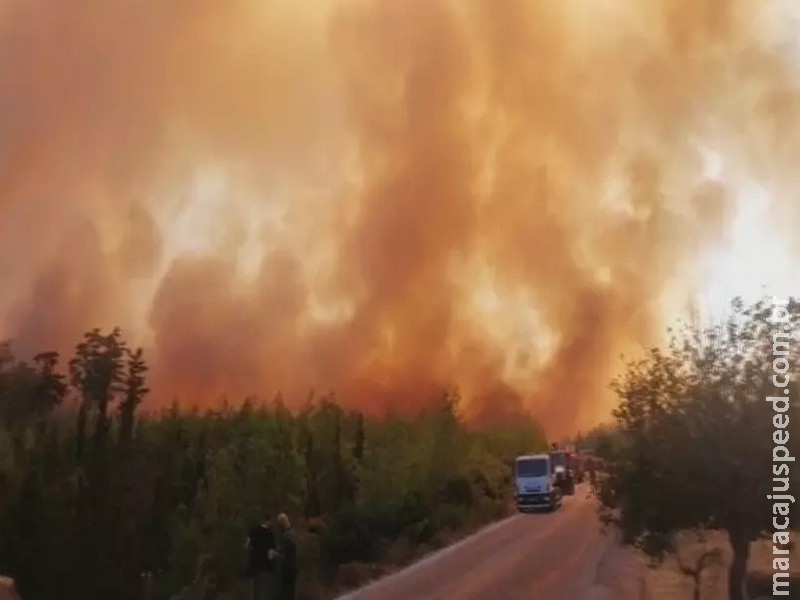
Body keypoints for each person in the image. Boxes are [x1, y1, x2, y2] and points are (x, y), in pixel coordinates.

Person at [246, 512, 279, 600]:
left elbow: (247, 545)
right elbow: (270, 555)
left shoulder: (253, 531)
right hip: (264, 568)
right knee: (263, 592)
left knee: (253, 592)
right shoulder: (270, 536)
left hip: (253, 567)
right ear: (269, 522)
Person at [275, 513, 298, 600]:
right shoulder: (293, 533)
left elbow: (282, 551)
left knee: (286, 590)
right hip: (293, 565)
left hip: (287, 566)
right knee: (291, 591)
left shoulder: (285, 536)